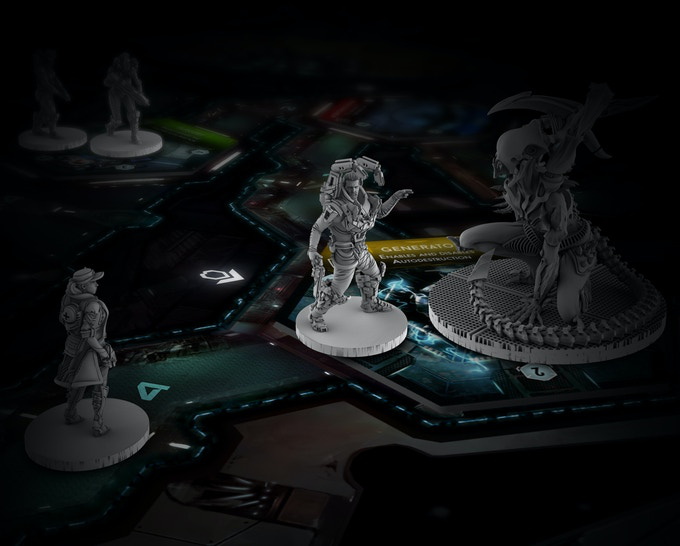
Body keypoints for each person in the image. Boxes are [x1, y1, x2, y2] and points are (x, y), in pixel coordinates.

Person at [307, 157, 413, 332]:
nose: (354, 191)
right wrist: (312, 250)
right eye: (350, 188)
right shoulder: (336, 208)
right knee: (336, 292)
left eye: (356, 187)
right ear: (343, 187)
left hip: (361, 249)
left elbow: (380, 212)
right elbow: (317, 228)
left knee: (374, 274)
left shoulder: (366, 200)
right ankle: (316, 315)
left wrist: (396, 196)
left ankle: (369, 303)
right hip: (344, 254)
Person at [54, 267, 116, 437]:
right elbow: (88, 335)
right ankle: (98, 424)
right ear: (83, 286)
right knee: (100, 386)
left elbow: (63, 321)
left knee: (77, 382)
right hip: (92, 349)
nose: (96, 284)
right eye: (93, 282)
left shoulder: (67, 298)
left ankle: (70, 413)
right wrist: (103, 353)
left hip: (72, 347)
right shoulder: (93, 305)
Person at [104, 52, 150, 144]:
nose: (127, 65)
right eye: (125, 63)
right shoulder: (113, 72)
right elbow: (106, 83)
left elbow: (138, 83)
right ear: (120, 64)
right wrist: (140, 97)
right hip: (115, 94)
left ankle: (134, 136)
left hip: (127, 94)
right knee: (117, 121)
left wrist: (140, 94)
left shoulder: (131, 70)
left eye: (128, 62)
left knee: (133, 115)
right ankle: (110, 126)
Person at [31, 49, 71, 137]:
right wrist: (61, 94)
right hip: (42, 94)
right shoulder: (40, 69)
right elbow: (46, 84)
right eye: (50, 57)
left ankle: (36, 129)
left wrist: (64, 93)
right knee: (52, 112)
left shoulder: (50, 70)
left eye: (53, 57)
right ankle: (52, 132)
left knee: (44, 112)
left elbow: (57, 83)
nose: (52, 59)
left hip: (48, 94)